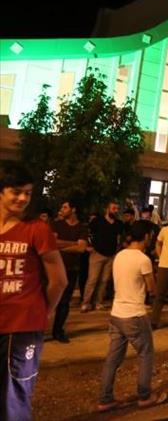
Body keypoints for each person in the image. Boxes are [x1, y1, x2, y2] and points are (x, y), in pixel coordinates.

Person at [0, 162, 67, 421]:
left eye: (27, 193)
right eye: (16, 192)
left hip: (21, 326)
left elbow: (58, 280)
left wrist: (42, 313)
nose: (23, 198)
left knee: (13, 400)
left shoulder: (36, 229)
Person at [97, 221, 167, 412]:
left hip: (116, 313)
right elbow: (152, 289)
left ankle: (105, 399)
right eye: (151, 235)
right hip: (134, 314)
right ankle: (144, 396)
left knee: (113, 359)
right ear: (146, 236)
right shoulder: (143, 259)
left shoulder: (120, 255)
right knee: (146, 354)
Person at [51, 200, 89, 343]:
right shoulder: (56, 224)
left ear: (73, 209)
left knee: (64, 302)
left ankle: (58, 331)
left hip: (71, 269)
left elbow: (81, 248)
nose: (62, 209)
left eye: (65, 207)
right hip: (54, 267)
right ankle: (38, 330)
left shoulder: (82, 228)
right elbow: (52, 243)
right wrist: (73, 243)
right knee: (47, 300)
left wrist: (61, 245)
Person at [82, 201, 122, 312]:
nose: (116, 211)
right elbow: (88, 233)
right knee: (92, 279)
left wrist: (117, 249)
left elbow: (119, 237)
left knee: (104, 280)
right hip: (97, 253)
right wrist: (89, 246)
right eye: (113, 208)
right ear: (107, 209)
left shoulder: (118, 223)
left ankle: (98, 302)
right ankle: (86, 303)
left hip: (111, 254)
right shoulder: (97, 221)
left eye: (117, 209)